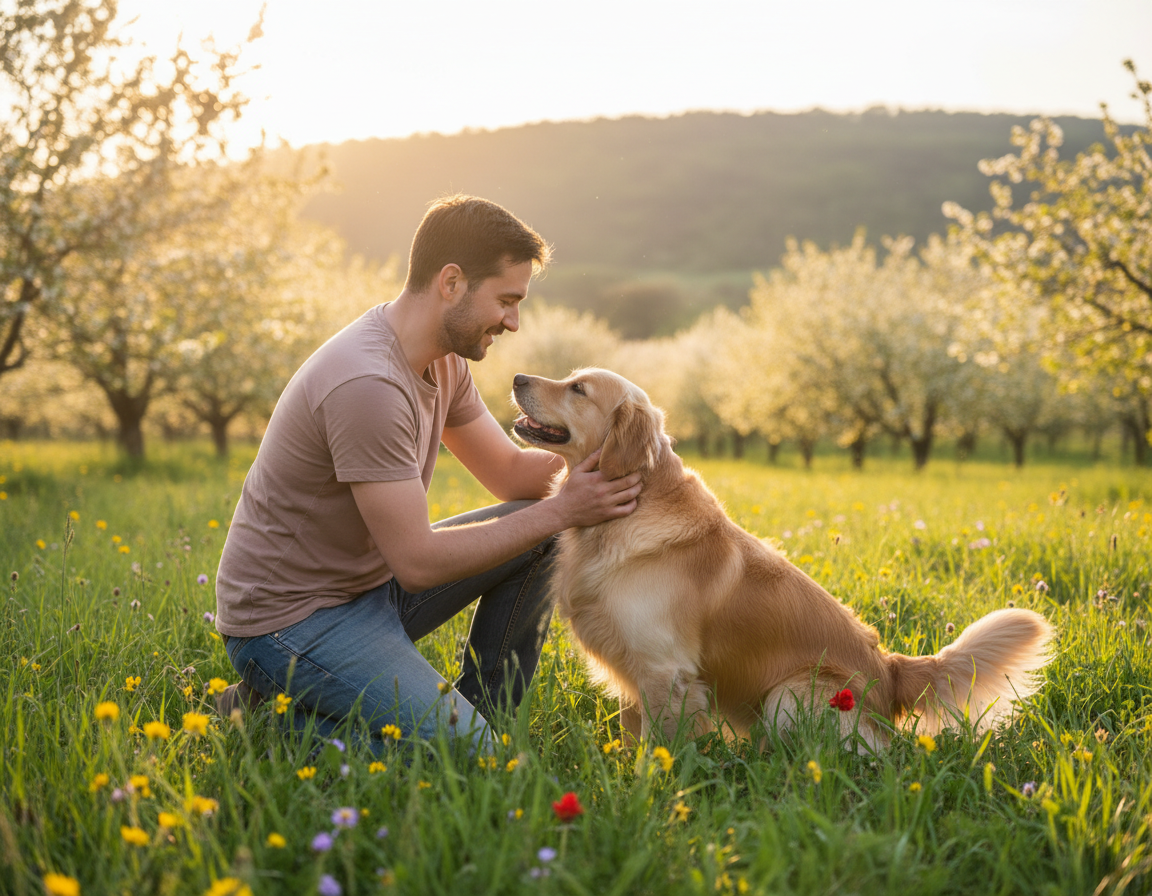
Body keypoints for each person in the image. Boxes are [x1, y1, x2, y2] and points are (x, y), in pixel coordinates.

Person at [212, 195, 641, 751]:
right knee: (473, 763)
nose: (513, 321)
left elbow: (511, 473)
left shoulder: (443, 359)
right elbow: (417, 563)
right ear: (452, 282)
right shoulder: (368, 384)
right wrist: (566, 507)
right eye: (506, 301)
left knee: (537, 528)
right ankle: (264, 719)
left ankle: (486, 716)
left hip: (366, 591)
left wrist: (626, 463)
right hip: (290, 624)